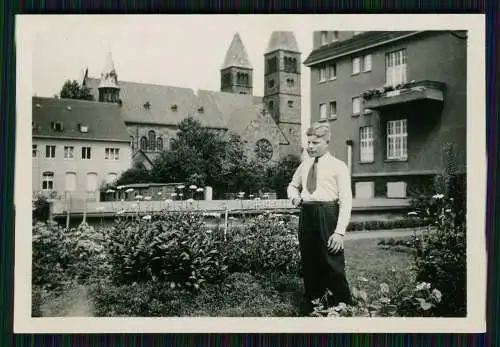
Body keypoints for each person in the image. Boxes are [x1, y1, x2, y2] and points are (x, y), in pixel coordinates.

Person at [287, 121, 353, 312]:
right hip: (307, 214)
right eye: (308, 142)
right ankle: (314, 305)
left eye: (315, 143)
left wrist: (339, 232)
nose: (310, 146)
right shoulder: (305, 165)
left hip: (328, 215)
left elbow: (346, 200)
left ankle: (342, 306)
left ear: (327, 141)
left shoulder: (338, 166)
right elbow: (292, 185)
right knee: (309, 260)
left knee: (332, 261)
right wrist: (295, 197)